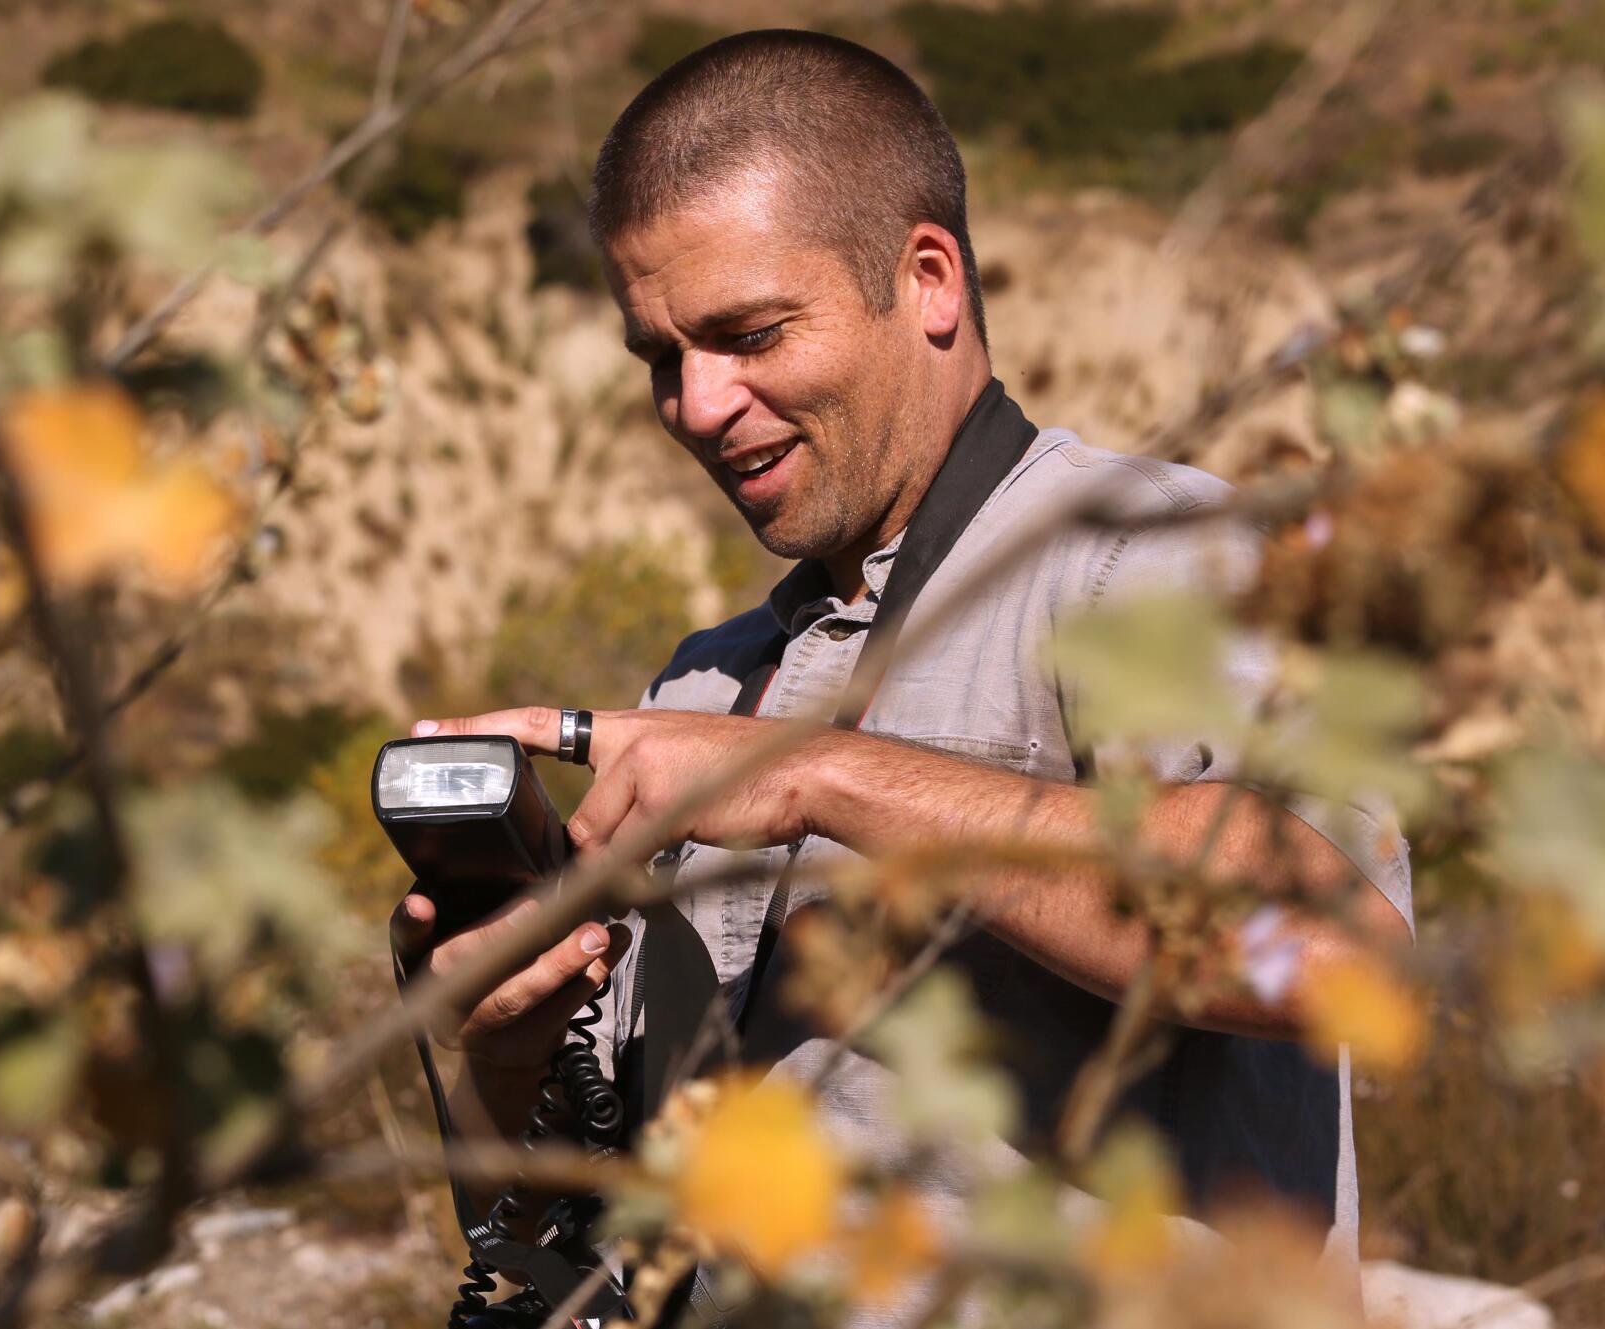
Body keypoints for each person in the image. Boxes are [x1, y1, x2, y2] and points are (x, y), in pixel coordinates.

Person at [391, 28, 1413, 1326]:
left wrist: (817, 777)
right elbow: (551, 1240)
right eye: (660, 355)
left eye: (748, 332)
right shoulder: (705, 689)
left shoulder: (1159, 555)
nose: (697, 405)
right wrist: (502, 1037)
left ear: (927, 278)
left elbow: (1335, 946)